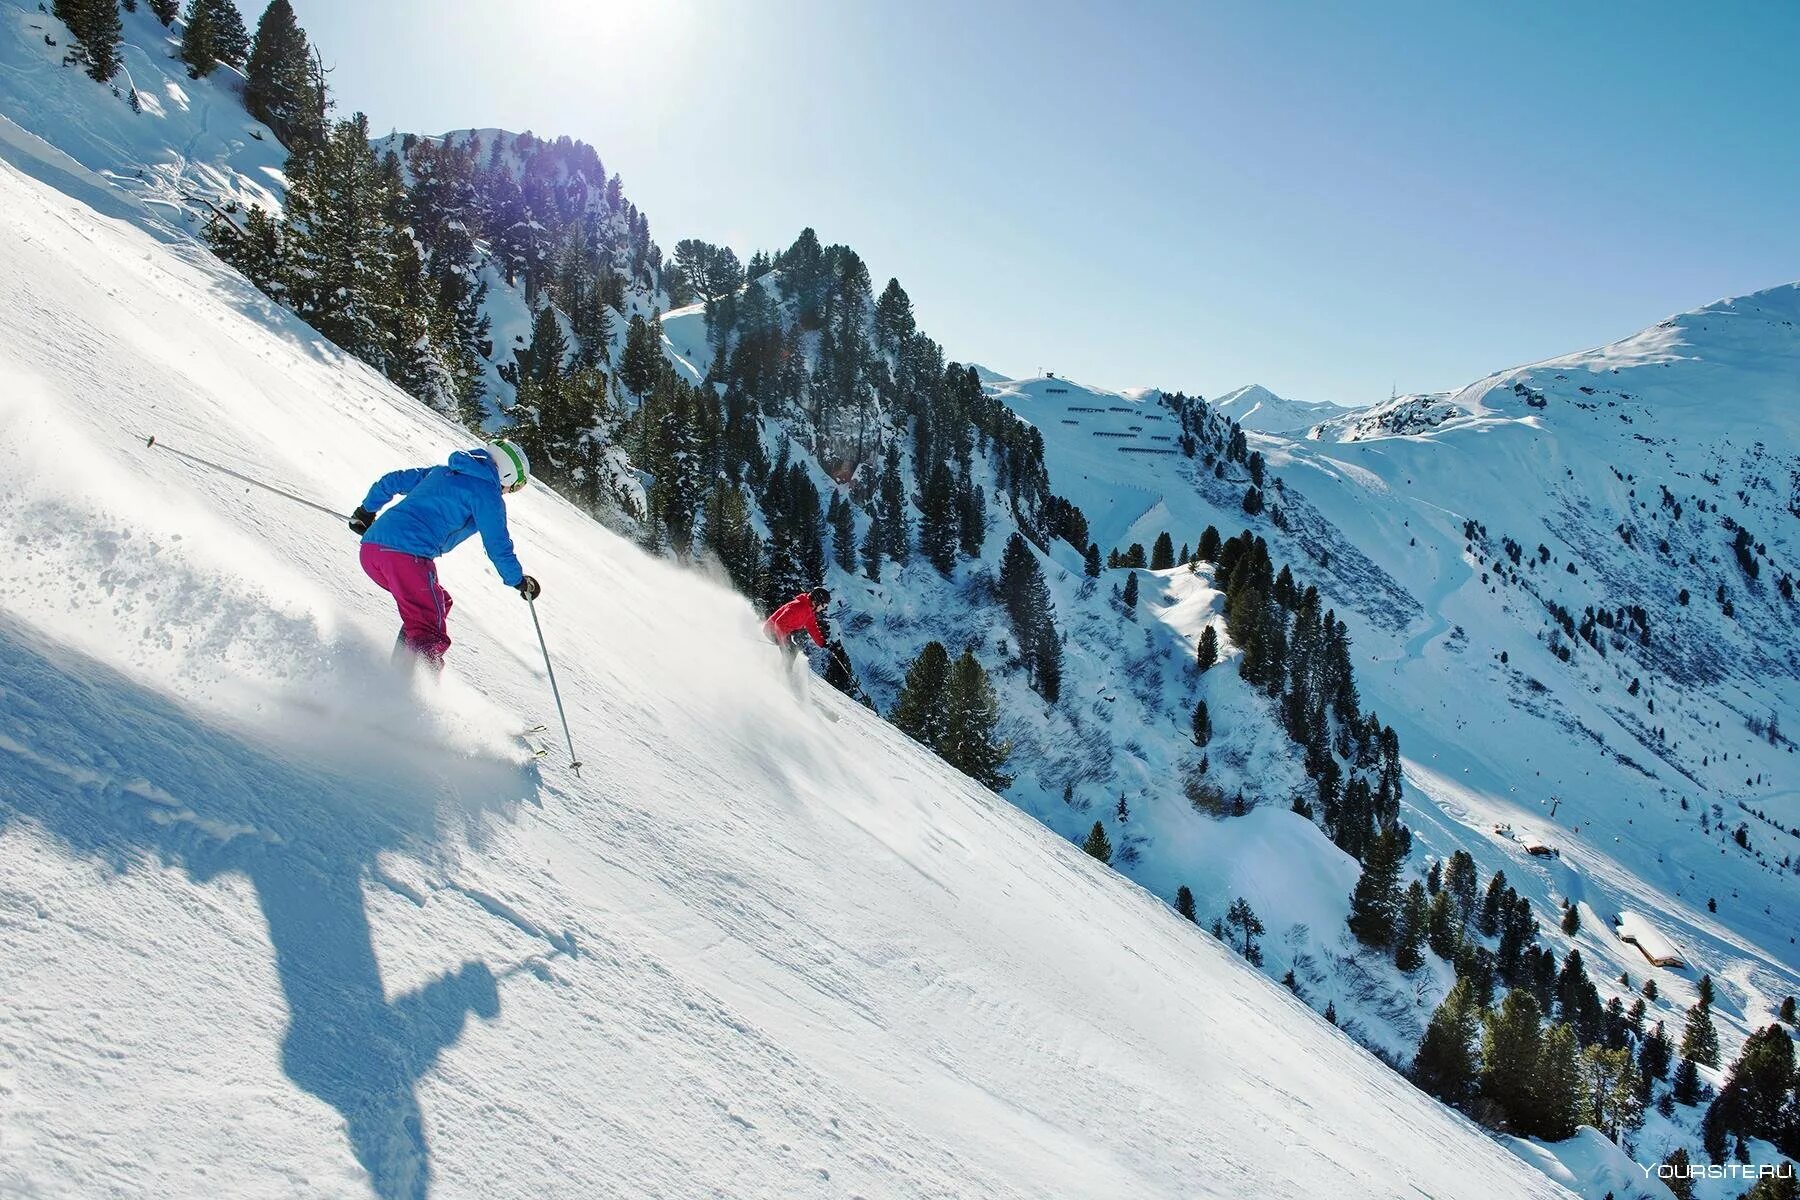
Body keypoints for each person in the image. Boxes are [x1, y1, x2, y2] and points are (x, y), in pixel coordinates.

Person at [348, 440, 540, 671]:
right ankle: (410, 694)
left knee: (436, 603)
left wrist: (365, 512)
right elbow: (497, 543)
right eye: (516, 486)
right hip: (407, 557)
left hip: (371, 550)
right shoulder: (487, 494)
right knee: (429, 630)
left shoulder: (444, 472)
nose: (511, 492)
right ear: (507, 474)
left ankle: (400, 669)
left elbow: (393, 481)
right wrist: (517, 579)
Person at [763, 586, 831, 666]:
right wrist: (783, 641)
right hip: (772, 630)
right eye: (824, 605)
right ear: (817, 601)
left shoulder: (809, 610)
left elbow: (812, 627)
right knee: (791, 651)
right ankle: (784, 674)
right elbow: (779, 623)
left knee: (793, 651)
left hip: (782, 631)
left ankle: (785, 672)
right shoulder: (799, 607)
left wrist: (822, 643)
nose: (823, 608)